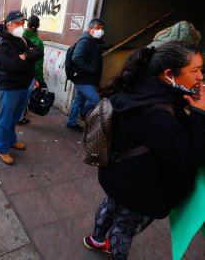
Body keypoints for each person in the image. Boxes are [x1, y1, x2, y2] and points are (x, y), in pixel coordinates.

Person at [83, 41, 205, 260]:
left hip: (117, 175)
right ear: (168, 74)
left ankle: (95, 239)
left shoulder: (136, 84)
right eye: (195, 71)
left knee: (110, 207)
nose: (200, 77)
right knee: (124, 229)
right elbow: (188, 157)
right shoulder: (155, 111)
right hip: (143, 189)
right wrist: (199, 113)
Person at [0, 10, 43, 165]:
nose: (21, 26)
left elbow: (39, 52)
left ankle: (11, 139)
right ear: (8, 25)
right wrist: (27, 59)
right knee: (6, 119)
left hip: (24, 85)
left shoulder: (22, 38)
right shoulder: (3, 44)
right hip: (10, 88)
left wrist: (26, 56)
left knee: (16, 117)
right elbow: (15, 66)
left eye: (22, 23)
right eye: (17, 23)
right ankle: (2, 148)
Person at [66, 18, 105, 130]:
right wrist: (90, 69)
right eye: (97, 28)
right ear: (90, 29)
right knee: (96, 101)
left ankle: (71, 122)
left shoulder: (94, 41)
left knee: (78, 100)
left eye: (102, 29)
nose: (100, 31)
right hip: (84, 79)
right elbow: (76, 58)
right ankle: (83, 113)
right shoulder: (85, 41)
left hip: (88, 78)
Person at [18, 15, 46, 124]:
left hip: (18, 72)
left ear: (26, 24)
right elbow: (38, 64)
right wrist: (40, 79)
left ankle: (17, 116)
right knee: (25, 98)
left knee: (19, 96)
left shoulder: (20, 37)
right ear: (38, 26)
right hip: (30, 75)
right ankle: (19, 118)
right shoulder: (38, 42)